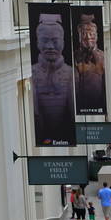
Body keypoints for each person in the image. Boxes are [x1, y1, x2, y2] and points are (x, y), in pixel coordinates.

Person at [30, 12, 75, 145]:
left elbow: (73, 114)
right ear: (38, 43)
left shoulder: (71, 73)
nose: (50, 46)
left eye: (55, 41)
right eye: (45, 41)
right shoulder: (31, 73)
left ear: (63, 43)